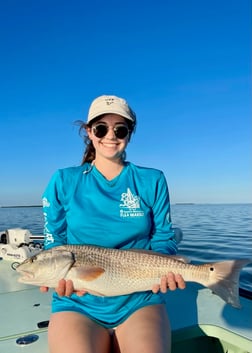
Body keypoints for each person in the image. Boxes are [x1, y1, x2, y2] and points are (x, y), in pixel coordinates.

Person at [40, 95, 186, 353]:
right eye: (101, 128)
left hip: (140, 300)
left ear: (129, 133)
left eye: (120, 129)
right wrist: (56, 277)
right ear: (89, 132)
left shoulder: (152, 179)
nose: (111, 135)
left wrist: (166, 268)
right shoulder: (64, 180)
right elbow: (55, 239)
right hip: (77, 303)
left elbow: (163, 237)